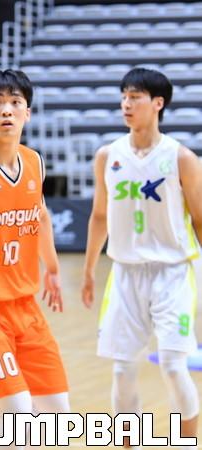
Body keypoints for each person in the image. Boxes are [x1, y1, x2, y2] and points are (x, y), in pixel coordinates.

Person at [81, 67, 199, 449]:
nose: (126, 104)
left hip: (174, 272)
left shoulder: (181, 157)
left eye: (135, 97)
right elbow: (99, 216)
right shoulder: (107, 156)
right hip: (125, 273)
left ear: (158, 103)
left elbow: (200, 219)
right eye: (124, 97)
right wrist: (88, 270)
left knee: (173, 365)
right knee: (121, 370)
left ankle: (187, 441)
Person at [0, 69, 70, 447]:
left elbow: (41, 215)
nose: (7, 110)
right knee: (16, 417)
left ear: (27, 113)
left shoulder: (34, 161)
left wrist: (52, 269)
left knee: (57, 416)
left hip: (26, 306)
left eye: (15, 102)